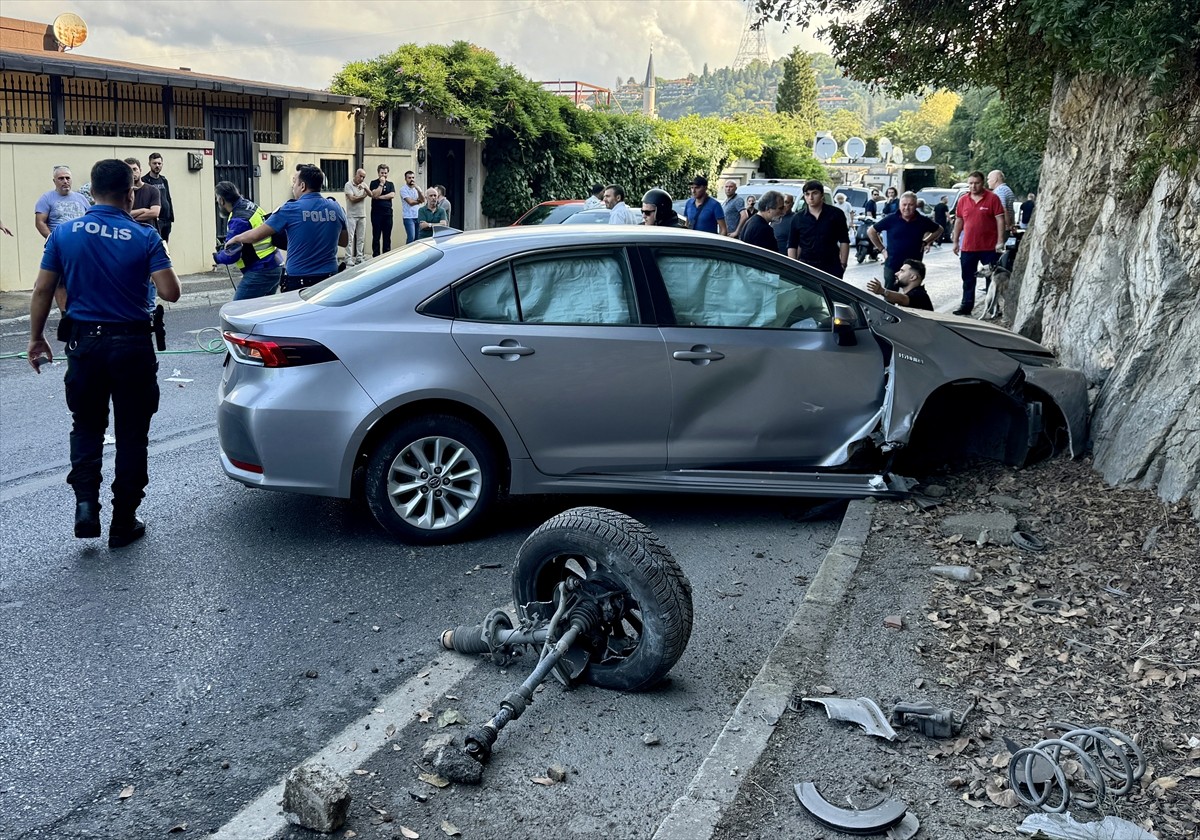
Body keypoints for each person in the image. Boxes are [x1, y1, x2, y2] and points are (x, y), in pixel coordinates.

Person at [27, 158, 181, 548]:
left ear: (90, 192)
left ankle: (85, 506)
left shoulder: (63, 235)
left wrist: (36, 338)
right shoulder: (144, 235)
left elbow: (43, 289)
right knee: (132, 434)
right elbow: (170, 292)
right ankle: (123, 520)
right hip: (132, 346)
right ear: (131, 194)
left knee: (87, 426)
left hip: (84, 345)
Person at [228, 164, 347, 293]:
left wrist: (236, 238)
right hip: (329, 278)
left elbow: (256, 235)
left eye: (295, 182)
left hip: (299, 281)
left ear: (302, 186)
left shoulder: (290, 209)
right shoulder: (335, 208)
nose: (293, 186)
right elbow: (344, 241)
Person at [214, 181, 282, 300]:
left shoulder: (239, 219)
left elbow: (231, 255)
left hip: (261, 270)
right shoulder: (250, 206)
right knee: (260, 311)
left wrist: (218, 257)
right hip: (275, 265)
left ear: (221, 200)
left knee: (237, 310)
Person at [950, 170, 1005, 316]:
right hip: (968, 246)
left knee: (992, 279)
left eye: (977, 183)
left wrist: (1000, 241)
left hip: (989, 246)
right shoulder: (963, 200)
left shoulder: (993, 198)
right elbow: (959, 221)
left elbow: (1000, 219)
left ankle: (993, 307)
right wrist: (955, 241)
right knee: (968, 278)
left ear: (982, 183)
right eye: (971, 183)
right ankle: (966, 306)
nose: (973, 186)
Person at [867, 191, 942, 291]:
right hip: (893, 263)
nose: (907, 208)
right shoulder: (891, 219)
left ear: (916, 205)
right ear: (899, 205)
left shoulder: (923, 220)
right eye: (904, 204)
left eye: (910, 205)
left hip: (914, 266)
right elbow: (871, 231)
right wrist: (882, 250)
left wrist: (925, 242)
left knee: (912, 296)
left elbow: (939, 229)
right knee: (890, 294)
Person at [788, 179, 850, 277]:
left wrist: (843, 264)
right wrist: (793, 267)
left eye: (814, 193)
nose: (811, 197)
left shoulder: (836, 214)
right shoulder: (798, 218)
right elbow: (792, 244)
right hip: (806, 265)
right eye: (807, 194)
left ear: (822, 195)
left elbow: (844, 241)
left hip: (831, 265)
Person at [35, 165, 90, 239]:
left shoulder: (81, 198)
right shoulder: (46, 198)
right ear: (54, 181)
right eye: (61, 178)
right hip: (59, 244)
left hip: (80, 243)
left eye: (67, 178)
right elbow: (40, 222)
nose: (65, 181)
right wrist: (52, 240)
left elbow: (90, 219)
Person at [867, 259, 933, 311]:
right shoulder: (916, 293)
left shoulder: (920, 295)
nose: (896, 273)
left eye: (902, 271)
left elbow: (902, 299)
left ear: (912, 277)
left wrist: (882, 291)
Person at [142, 153, 174, 243]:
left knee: (165, 245)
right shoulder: (145, 181)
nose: (157, 166)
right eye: (154, 163)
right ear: (149, 164)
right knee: (155, 244)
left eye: (159, 164)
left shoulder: (164, 180)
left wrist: (171, 216)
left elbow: (168, 198)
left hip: (166, 220)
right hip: (155, 220)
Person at [123, 158, 161, 233]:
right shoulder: (122, 192)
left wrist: (129, 216)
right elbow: (121, 214)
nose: (133, 173)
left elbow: (154, 213)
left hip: (148, 234)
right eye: (129, 170)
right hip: (129, 233)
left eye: (135, 169)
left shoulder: (153, 190)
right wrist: (143, 210)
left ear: (140, 170)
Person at [343, 168, 369, 265]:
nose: (361, 179)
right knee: (350, 238)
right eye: (360, 176)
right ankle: (348, 258)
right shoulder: (348, 185)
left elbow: (371, 194)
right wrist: (363, 196)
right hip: (351, 215)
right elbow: (352, 199)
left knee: (361, 238)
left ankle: (359, 257)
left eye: (363, 177)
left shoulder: (363, 184)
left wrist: (365, 188)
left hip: (362, 215)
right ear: (355, 175)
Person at [368, 164, 396, 256]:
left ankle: (386, 256)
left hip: (387, 213)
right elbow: (374, 194)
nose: (383, 175)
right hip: (376, 213)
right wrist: (381, 184)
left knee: (387, 236)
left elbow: (392, 195)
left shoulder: (390, 184)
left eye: (385, 173)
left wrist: (380, 197)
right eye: (382, 173)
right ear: (378, 173)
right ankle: (376, 256)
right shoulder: (373, 183)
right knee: (376, 236)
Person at [399, 169, 423, 244]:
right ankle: (407, 253)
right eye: (409, 178)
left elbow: (423, 199)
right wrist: (419, 201)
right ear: (405, 179)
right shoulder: (403, 189)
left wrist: (419, 190)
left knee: (417, 238)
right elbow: (410, 202)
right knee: (411, 237)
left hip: (417, 215)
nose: (411, 180)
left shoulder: (417, 188)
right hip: (408, 217)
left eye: (413, 177)